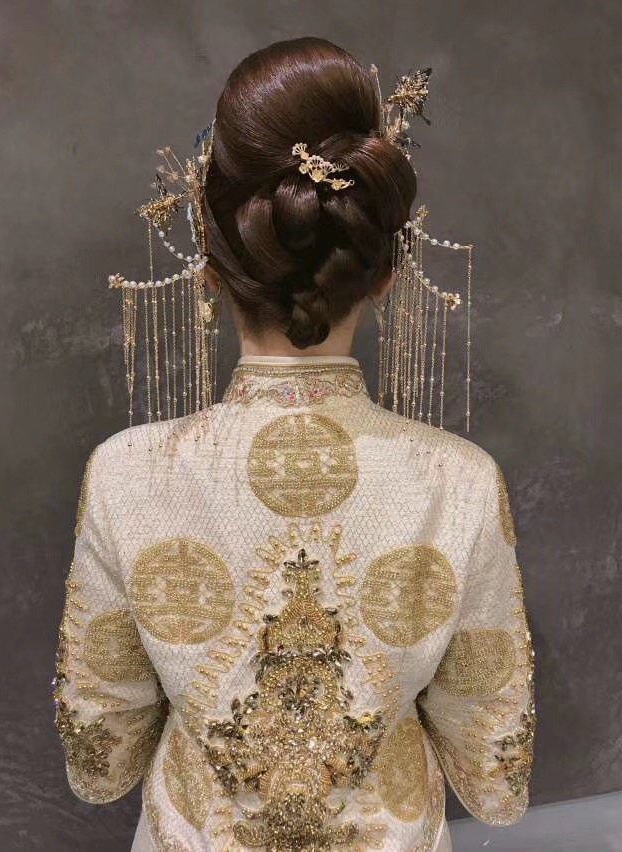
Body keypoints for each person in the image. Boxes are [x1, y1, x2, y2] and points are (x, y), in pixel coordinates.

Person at [52, 36, 535, 852]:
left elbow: (98, 760)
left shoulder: (126, 475)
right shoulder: (458, 482)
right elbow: (496, 778)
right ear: (386, 273)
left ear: (211, 264)